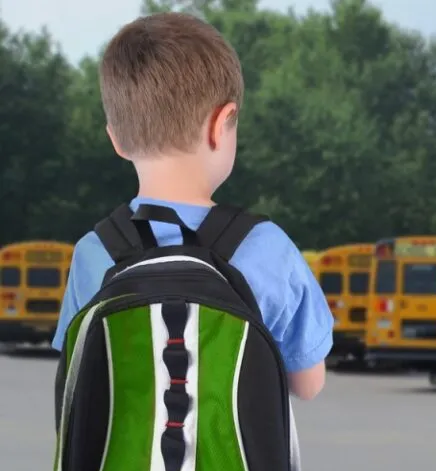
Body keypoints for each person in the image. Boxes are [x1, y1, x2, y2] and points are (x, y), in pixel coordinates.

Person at [51, 12, 333, 402]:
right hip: (233, 464)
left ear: (116, 139)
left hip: (119, 464)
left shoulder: (93, 252)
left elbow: (78, 378)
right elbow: (308, 384)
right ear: (222, 124)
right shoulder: (268, 247)